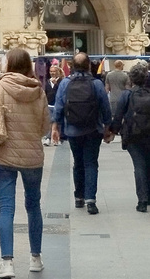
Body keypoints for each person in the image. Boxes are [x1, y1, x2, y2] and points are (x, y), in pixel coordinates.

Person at [0, 47, 50, 279]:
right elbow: (45, 127)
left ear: (9, 64)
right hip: (32, 156)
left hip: (4, 155)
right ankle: (35, 258)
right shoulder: (38, 90)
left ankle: (7, 262)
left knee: (6, 208)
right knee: (33, 206)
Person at [51, 52, 112, 214]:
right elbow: (105, 107)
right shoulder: (97, 84)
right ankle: (91, 200)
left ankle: (79, 197)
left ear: (72, 66)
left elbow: (58, 106)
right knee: (91, 163)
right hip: (93, 129)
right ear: (88, 65)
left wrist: (55, 127)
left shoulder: (65, 83)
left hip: (72, 129)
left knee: (78, 162)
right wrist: (108, 127)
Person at [107, 61, 150, 211]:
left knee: (139, 166)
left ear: (131, 79)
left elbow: (118, 116)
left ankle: (142, 201)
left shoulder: (127, 95)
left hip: (133, 136)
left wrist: (112, 132)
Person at [43, 64, 64, 145]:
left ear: (58, 72)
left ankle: (57, 139)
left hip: (58, 105)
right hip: (49, 105)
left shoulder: (61, 81)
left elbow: (62, 92)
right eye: (51, 71)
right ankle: (48, 138)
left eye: (54, 71)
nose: (52, 73)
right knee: (49, 122)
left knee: (57, 122)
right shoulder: (47, 81)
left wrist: (57, 84)